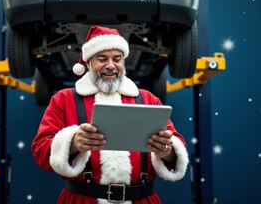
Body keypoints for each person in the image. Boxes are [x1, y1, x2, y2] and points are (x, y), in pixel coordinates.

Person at [32, 26, 189, 203]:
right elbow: (40, 150)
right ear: (89, 62)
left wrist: (167, 150)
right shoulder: (63, 99)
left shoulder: (148, 98)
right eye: (102, 59)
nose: (110, 65)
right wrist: (73, 144)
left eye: (117, 59)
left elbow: (176, 145)